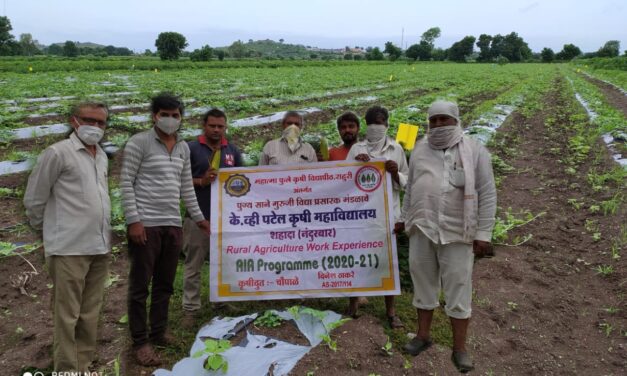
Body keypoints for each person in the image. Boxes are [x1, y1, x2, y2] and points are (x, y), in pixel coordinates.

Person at [398, 100, 496, 373]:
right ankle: (423, 336)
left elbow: (487, 194)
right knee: (424, 284)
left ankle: (460, 348)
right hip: (423, 228)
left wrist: (483, 233)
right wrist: (405, 219)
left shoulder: (475, 151)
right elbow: (411, 189)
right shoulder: (419, 149)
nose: (439, 125)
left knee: (458, 289)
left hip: (458, 233)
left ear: (456, 120)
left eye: (444, 119)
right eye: (434, 121)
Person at [120, 93, 210, 366]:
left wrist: (199, 219)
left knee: (165, 284)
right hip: (146, 225)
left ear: (181, 118)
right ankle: (140, 342)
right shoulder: (139, 142)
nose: (170, 120)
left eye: (175, 115)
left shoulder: (182, 148)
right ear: (154, 116)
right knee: (139, 286)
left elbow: (185, 188)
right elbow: (126, 183)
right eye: (165, 114)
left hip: (172, 224)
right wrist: (133, 221)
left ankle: (158, 331)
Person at [24, 102, 111, 372]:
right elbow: (35, 199)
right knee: (67, 315)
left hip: (99, 245)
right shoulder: (57, 154)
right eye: (89, 120)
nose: (95, 126)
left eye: (101, 122)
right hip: (68, 248)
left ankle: (82, 365)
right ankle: (66, 369)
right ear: (74, 121)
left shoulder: (101, 156)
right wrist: (50, 233)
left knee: (89, 313)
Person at [346, 105, 409, 329]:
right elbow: (343, 184)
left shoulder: (396, 149)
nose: (376, 126)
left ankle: (391, 312)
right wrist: (357, 166)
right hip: (361, 216)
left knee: (387, 263)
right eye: (372, 122)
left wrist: (395, 172)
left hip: (387, 215)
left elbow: (408, 182)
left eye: (380, 121)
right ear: (366, 124)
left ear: (387, 124)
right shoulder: (356, 149)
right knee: (357, 259)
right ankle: (353, 304)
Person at [181, 108, 243, 327]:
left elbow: (242, 180)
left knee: (223, 263)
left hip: (225, 219)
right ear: (204, 126)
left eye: (221, 126)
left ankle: (221, 302)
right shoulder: (190, 149)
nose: (217, 130)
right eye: (212, 126)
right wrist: (201, 181)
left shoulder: (232, 150)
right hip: (197, 216)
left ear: (225, 127)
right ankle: (191, 308)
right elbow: (178, 181)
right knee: (193, 264)